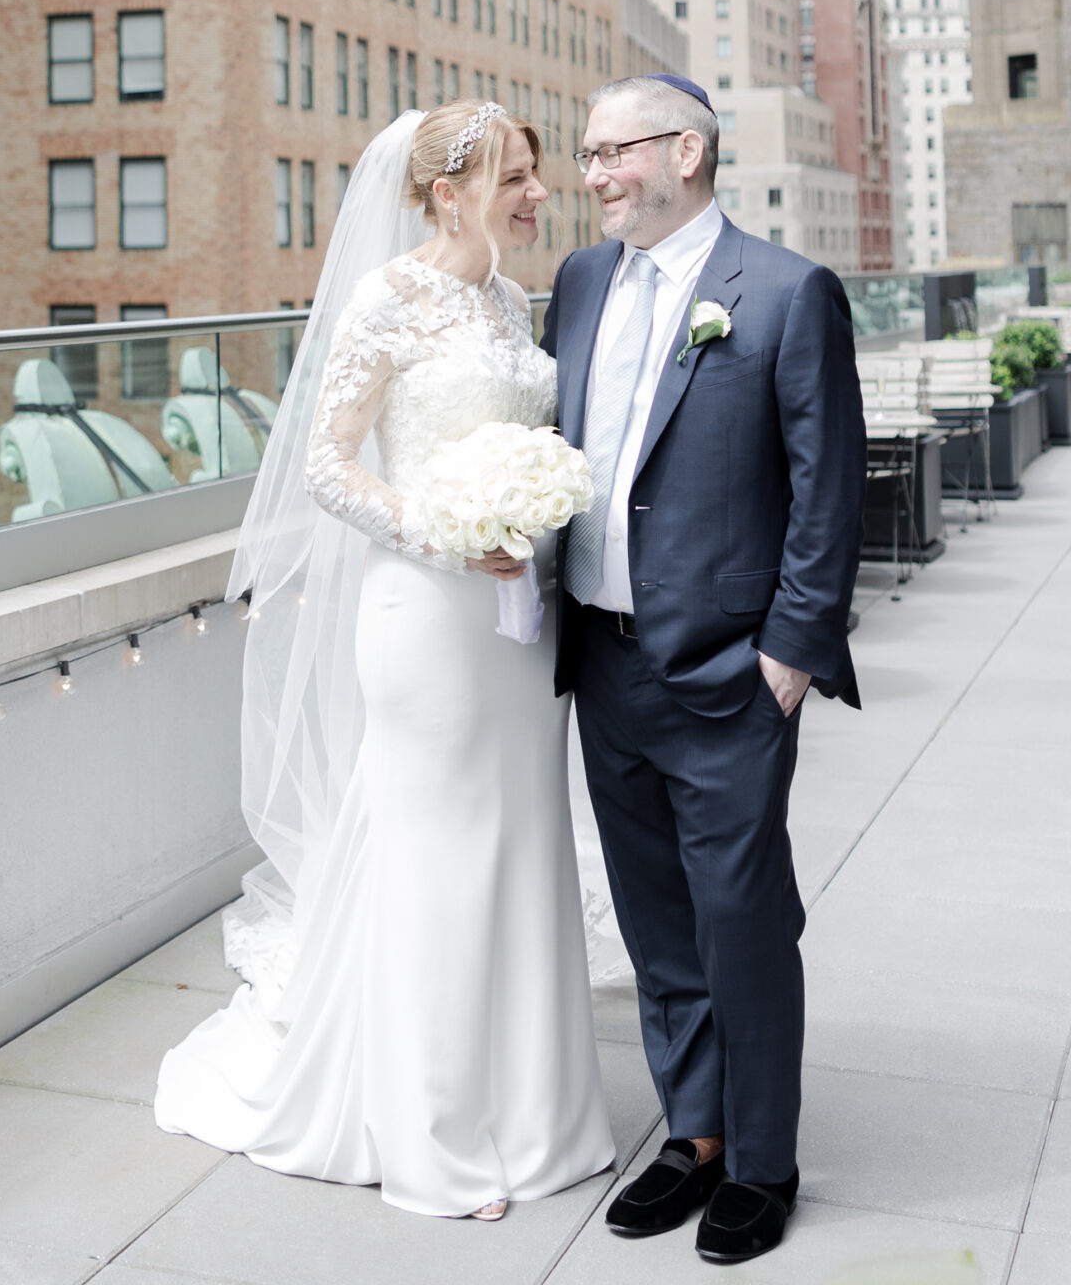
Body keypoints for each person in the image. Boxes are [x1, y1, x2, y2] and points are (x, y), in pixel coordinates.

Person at [154, 102, 614, 1219]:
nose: (536, 195)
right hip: (424, 621)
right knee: (438, 862)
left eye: (536, 176)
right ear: (446, 191)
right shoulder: (385, 298)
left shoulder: (509, 299)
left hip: (518, 625)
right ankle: (436, 1138)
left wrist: (531, 523)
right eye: (515, 175)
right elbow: (323, 464)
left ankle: (536, 1112)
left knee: (519, 846)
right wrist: (447, 531)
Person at [544, 73, 865, 1267]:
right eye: (583, 155)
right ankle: (694, 1137)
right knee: (654, 926)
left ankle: (765, 1159)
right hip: (605, 663)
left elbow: (825, 489)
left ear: (685, 148)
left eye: (608, 151)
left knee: (739, 922)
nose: (592, 176)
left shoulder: (783, 292)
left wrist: (788, 653)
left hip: (729, 674)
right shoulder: (578, 283)